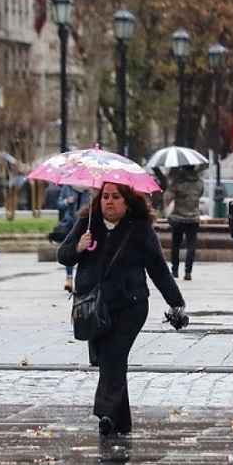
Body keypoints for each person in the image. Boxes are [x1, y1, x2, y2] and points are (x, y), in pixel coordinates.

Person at [57, 182, 187, 437]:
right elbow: (63, 255)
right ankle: (122, 421)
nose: (109, 201)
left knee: (113, 357)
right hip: (94, 308)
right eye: (105, 196)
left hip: (131, 305)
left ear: (127, 201)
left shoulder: (139, 229)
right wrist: (78, 247)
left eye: (116, 197)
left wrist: (176, 302)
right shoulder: (87, 223)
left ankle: (104, 412)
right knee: (109, 361)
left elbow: (159, 269)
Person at [163, 165, 204, 281]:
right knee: (191, 245)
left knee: (176, 244)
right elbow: (200, 194)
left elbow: (167, 197)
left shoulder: (178, 182)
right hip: (194, 218)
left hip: (178, 218)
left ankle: (175, 270)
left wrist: (170, 185)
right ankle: (188, 272)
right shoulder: (199, 183)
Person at [57, 184, 89, 292]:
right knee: (70, 250)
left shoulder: (90, 190)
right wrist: (67, 201)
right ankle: (69, 278)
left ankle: (81, 279)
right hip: (70, 224)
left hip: (84, 225)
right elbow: (59, 204)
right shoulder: (67, 187)